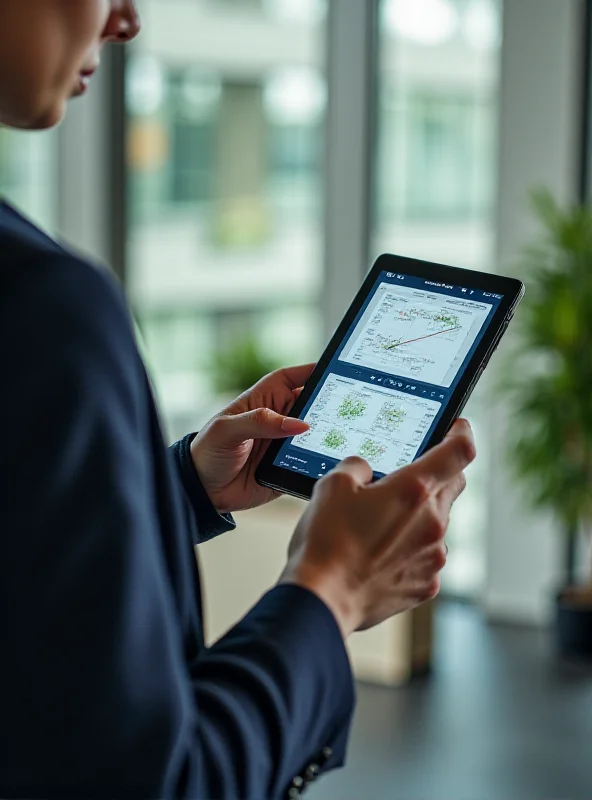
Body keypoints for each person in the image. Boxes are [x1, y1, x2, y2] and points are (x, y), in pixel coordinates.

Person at [0, 2, 476, 798]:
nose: (126, 19)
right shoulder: (40, 305)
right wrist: (333, 589)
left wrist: (180, 485)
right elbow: (152, 784)